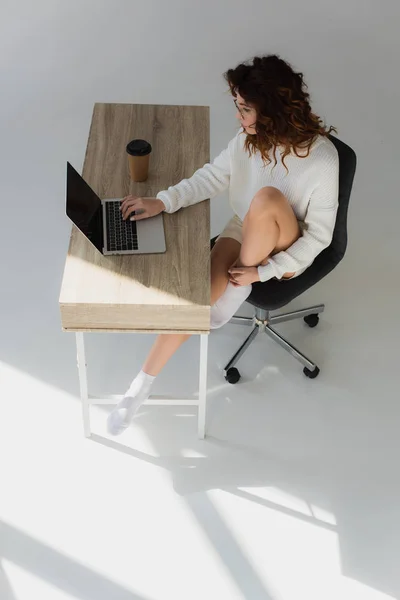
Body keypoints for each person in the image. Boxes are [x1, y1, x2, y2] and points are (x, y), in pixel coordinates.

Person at [107, 54, 339, 435]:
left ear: (272, 109)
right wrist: (162, 201)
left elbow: (319, 236)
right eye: (238, 106)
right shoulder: (249, 140)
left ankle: (239, 286)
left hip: (287, 248)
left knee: (265, 198)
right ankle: (139, 388)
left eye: (245, 108)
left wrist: (264, 270)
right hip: (244, 230)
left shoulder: (323, 159)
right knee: (195, 303)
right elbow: (213, 176)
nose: (239, 116)